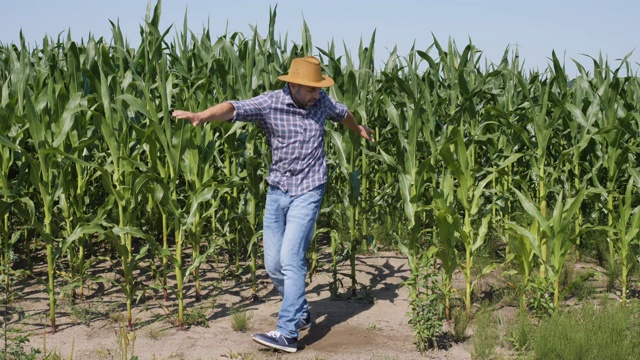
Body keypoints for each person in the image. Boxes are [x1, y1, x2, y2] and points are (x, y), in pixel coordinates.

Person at [173, 55, 374, 353]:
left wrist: (357, 129)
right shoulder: (270, 104)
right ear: (293, 84)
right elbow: (233, 107)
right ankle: (302, 312)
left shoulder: (322, 103)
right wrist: (202, 115)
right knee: (273, 265)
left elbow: (343, 113)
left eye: (319, 88)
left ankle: (287, 332)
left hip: (309, 190)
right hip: (277, 192)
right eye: (311, 89)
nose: (317, 93)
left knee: (292, 259)